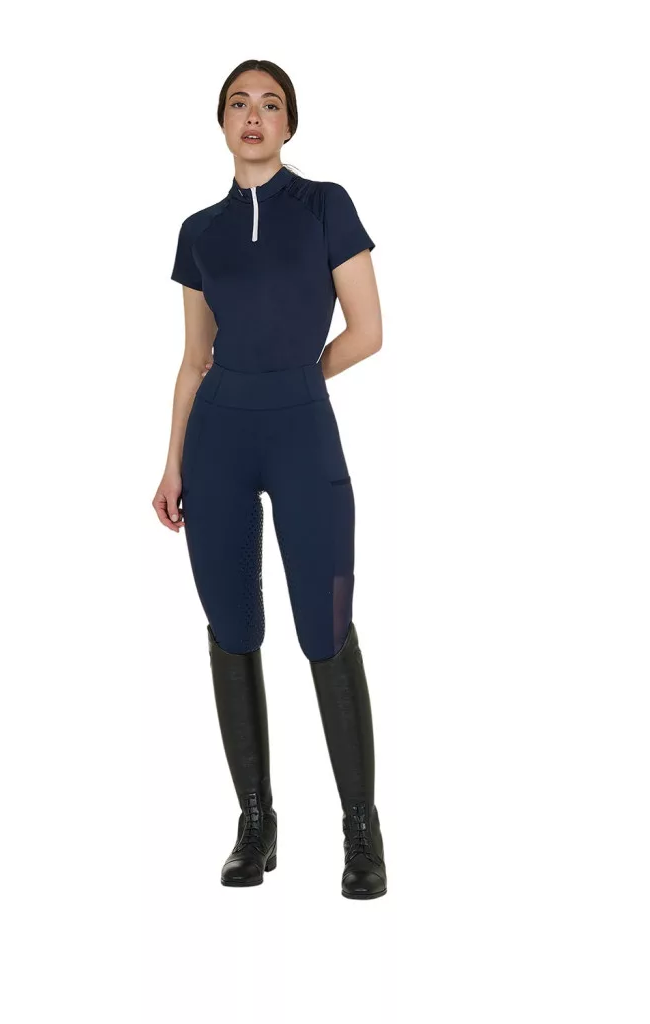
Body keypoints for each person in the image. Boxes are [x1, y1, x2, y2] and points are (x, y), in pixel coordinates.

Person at [152, 59, 387, 900]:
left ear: (289, 124)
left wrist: (295, 381)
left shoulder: (325, 205)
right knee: (232, 623)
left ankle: (361, 830)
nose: (254, 115)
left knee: (326, 622)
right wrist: (172, 461)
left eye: (271, 103)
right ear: (222, 122)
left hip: (301, 433)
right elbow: (193, 360)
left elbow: (367, 330)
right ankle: (256, 823)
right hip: (217, 437)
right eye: (238, 103)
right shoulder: (199, 231)